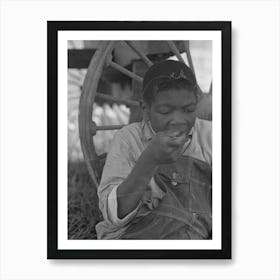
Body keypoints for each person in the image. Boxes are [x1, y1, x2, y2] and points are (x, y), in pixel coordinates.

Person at [95, 60, 212, 239]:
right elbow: (113, 215)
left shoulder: (211, 136)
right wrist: (149, 160)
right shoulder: (128, 139)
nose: (178, 121)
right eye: (165, 111)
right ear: (145, 108)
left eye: (188, 110)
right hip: (140, 235)